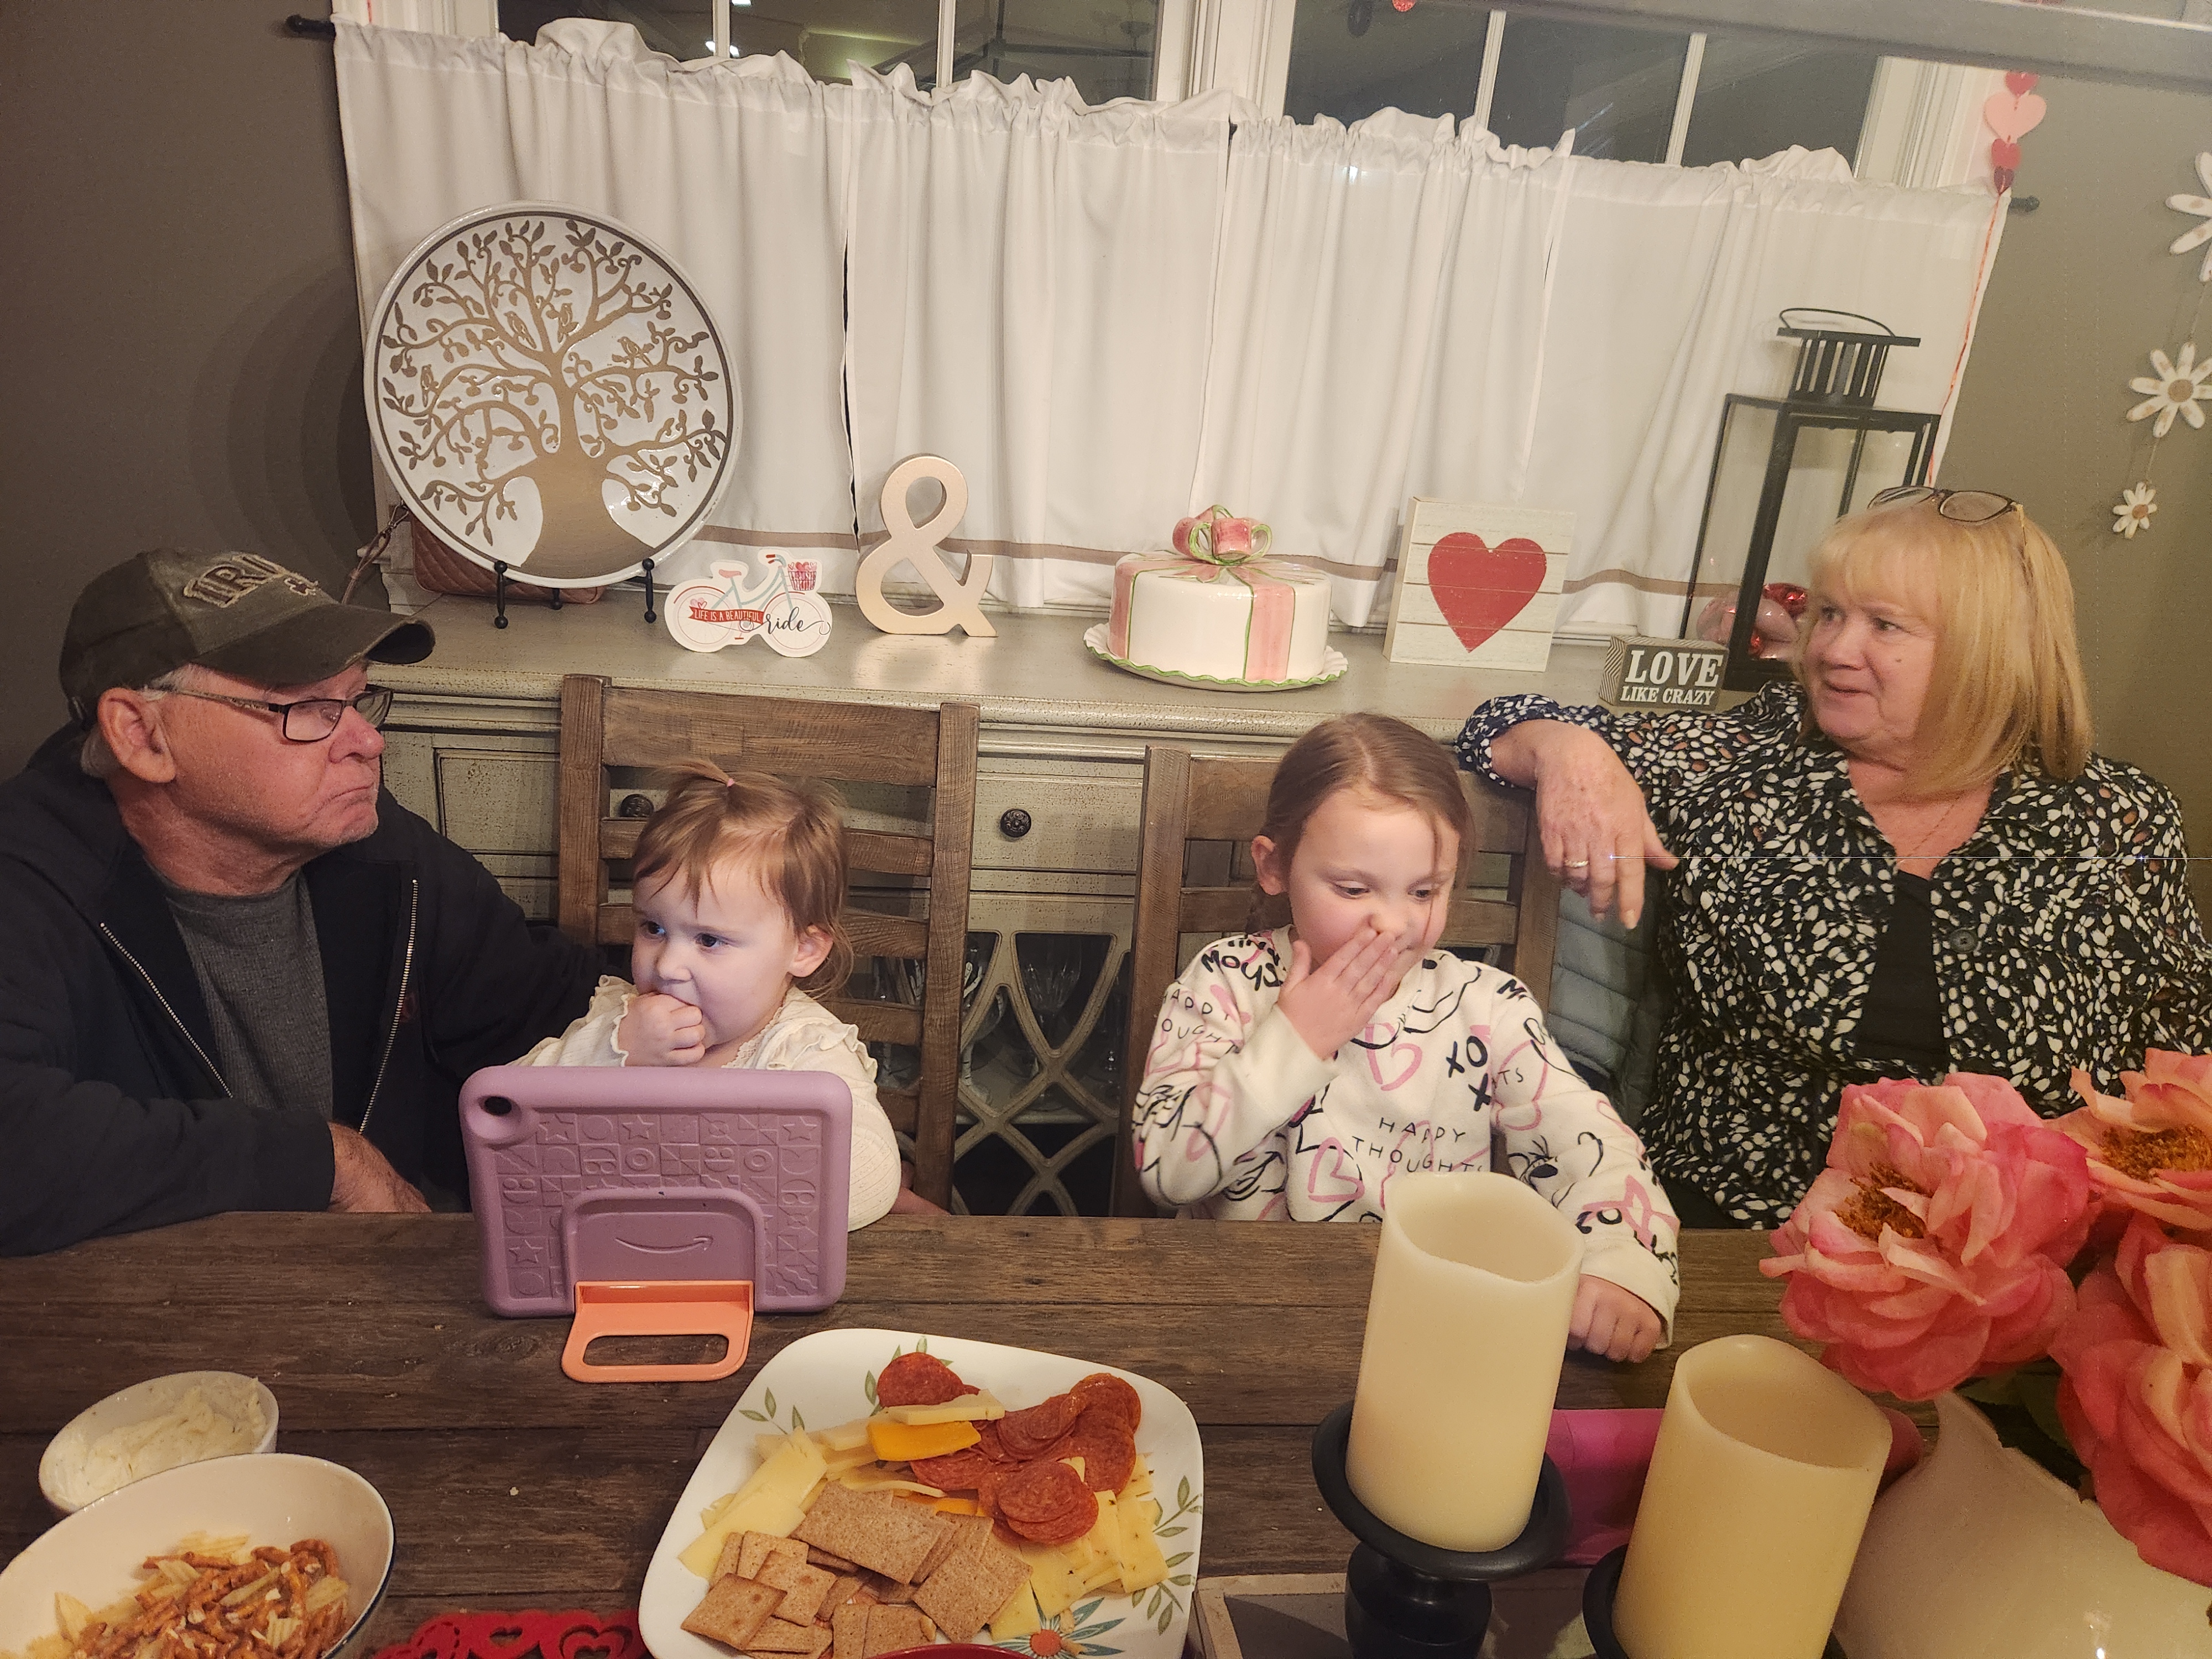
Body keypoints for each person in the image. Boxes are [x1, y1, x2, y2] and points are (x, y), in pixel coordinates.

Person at [1460, 487, 2212, 1228]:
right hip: (1733, 1220)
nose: (1831, 650)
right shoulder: (1747, 759)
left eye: (1883, 624)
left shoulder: (2116, 819)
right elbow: (1497, 725)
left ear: (1988, 651)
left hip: (2014, 1243)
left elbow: (2179, 1065)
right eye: (1828, 614)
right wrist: (1571, 753)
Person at [0, 549, 604, 1256]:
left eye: (357, 700)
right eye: (308, 709)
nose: (367, 742)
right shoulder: (31, 882)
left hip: (377, 1290)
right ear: (141, 734)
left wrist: (697, 995)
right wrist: (326, 1164)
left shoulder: (383, 857)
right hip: (139, 1306)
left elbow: (543, 1008)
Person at [1131, 713, 1679, 1363]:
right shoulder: (1226, 982)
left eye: (1424, 891)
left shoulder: (1486, 1006)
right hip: (1244, 1319)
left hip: (1431, 1324)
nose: (1393, 924)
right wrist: (1293, 1041)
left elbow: (1587, 1140)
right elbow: (1167, 1173)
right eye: (1352, 889)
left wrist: (1623, 1262)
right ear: (1274, 866)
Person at [516, 761, 914, 1228]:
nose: (666, 966)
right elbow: (507, 1117)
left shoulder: (805, 1050)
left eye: (708, 940)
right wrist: (612, 1050)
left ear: (803, 950)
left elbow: (871, 1176)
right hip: (616, 1248)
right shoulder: (620, 1019)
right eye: (653, 928)